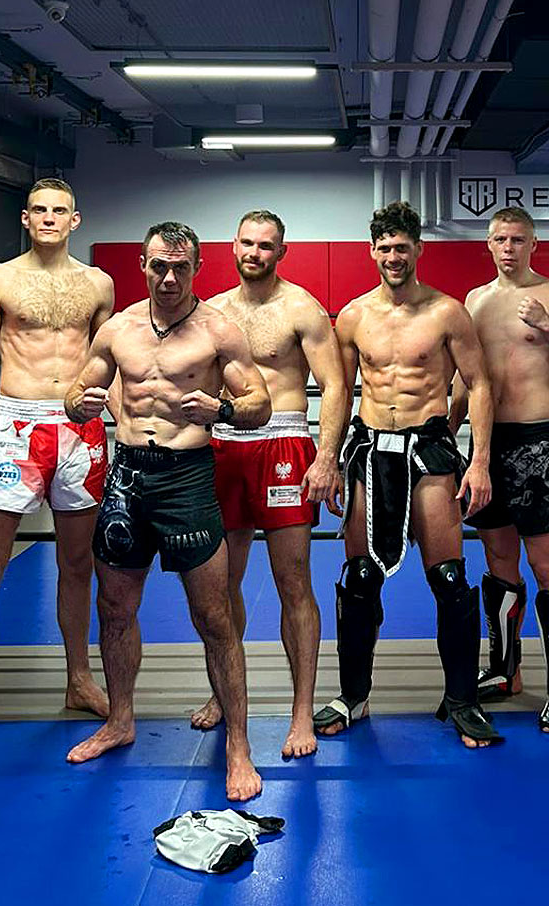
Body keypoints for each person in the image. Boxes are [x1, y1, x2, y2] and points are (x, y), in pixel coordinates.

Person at [63, 221, 272, 801]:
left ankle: (238, 745)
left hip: (187, 479)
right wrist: (79, 403)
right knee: (114, 608)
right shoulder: (118, 329)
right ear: (144, 265)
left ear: (198, 268)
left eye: (181, 267)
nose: (170, 278)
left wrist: (222, 409)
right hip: (128, 476)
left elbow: (260, 403)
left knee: (214, 617)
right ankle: (120, 720)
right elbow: (76, 394)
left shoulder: (218, 331)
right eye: (160, 266)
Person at [313, 201, 501, 747]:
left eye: (402, 247)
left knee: (449, 580)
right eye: (384, 248)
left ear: (418, 249)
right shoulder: (354, 316)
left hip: (429, 449)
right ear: (371, 251)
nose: (393, 257)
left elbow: (479, 384)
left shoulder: (446, 313)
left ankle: (462, 700)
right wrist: (330, 458)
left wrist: (480, 460)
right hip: (371, 450)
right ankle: (354, 695)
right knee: (359, 579)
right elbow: (339, 391)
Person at [0, 178, 113, 766]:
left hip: (80, 429)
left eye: (59, 210)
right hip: (14, 426)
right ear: (25, 217)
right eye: (39, 209)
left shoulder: (98, 284)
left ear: (75, 219)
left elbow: (106, 363)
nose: (48, 218)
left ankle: (78, 678)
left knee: (78, 564)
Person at [194, 209, 346, 759]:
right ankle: (224, 693)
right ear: (232, 247)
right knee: (220, 583)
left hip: (284, 444)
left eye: (266, 245)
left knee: (293, 580)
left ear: (281, 252)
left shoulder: (301, 308)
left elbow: (335, 385)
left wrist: (325, 458)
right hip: (225, 445)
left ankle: (301, 711)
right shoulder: (213, 312)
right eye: (247, 243)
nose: (254, 253)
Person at [450, 207, 549, 732]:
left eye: (517, 239)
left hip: (537, 442)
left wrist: (548, 326)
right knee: (498, 561)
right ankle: (504, 670)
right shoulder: (475, 300)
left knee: (546, 564)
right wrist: (446, 431)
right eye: (500, 239)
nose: (508, 248)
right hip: (488, 444)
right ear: (488, 245)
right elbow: (466, 380)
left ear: (533, 243)